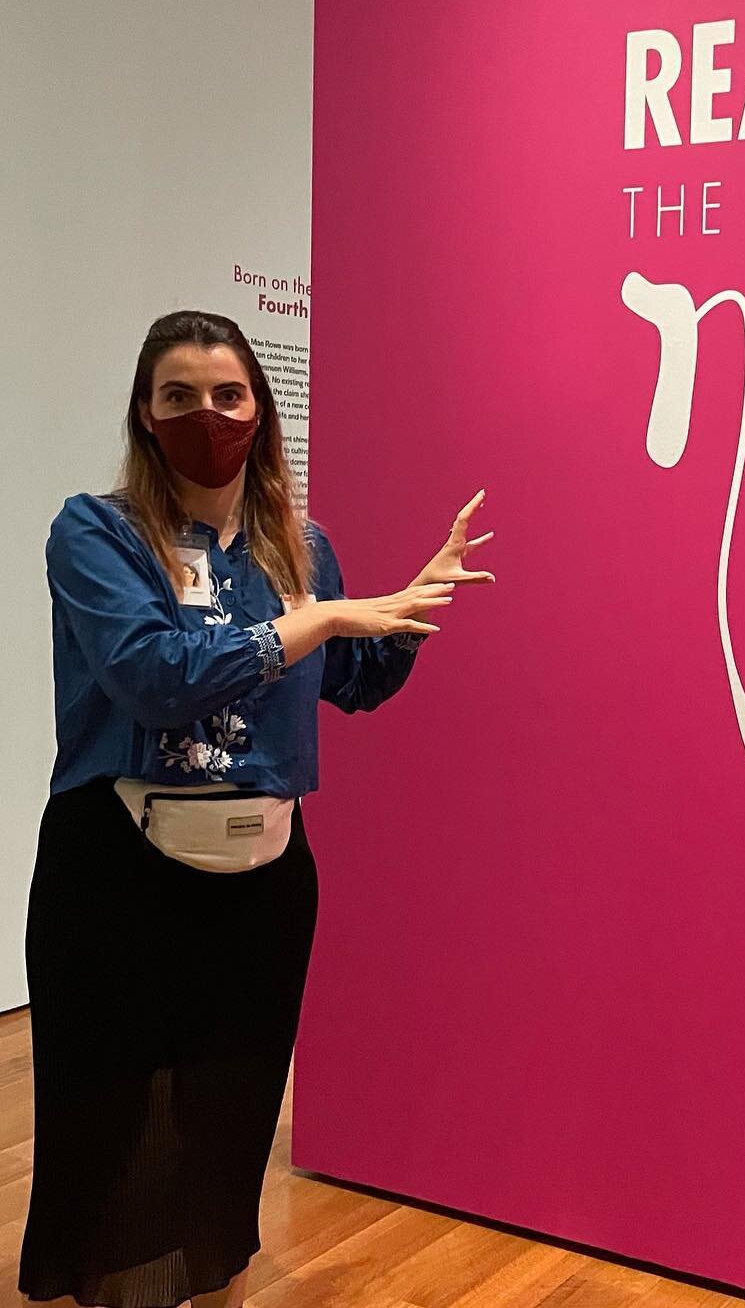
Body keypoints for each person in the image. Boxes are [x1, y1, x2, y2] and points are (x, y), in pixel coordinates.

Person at [17, 310, 494, 1308]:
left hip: (264, 887)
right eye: (179, 397)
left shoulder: (297, 545)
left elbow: (353, 680)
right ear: (144, 416)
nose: (207, 416)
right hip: (119, 878)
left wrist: (409, 613)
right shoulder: (95, 532)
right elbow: (155, 678)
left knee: (228, 1119)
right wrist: (317, 616)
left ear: (261, 410)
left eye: (228, 395)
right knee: (111, 1126)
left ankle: (217, 1286)